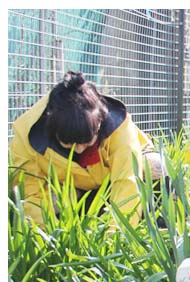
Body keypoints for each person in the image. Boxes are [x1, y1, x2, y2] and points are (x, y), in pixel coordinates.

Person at [9, 71, 162, 226]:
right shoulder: (25, 137)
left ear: (100, 124)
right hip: (74, 188)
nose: (79, 150)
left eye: (87, 142)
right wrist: (52, 242)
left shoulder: (120, 128)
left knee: (156, 167)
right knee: (48, 200)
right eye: (69, 144)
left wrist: (115, 241)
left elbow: (127, 183)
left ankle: (160, 226)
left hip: (111, 179)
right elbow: (30, 197)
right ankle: (75, 228)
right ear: (52, 132)